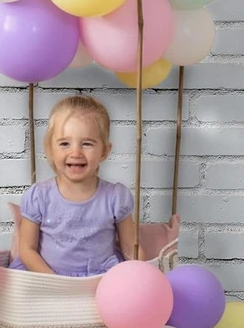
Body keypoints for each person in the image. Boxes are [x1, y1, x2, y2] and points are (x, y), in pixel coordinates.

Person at [8, 94, 143, 276]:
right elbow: (27, 249)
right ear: (50, 149)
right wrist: (53, 281)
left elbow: (130, 248)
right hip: (47, 277)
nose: (75, 152)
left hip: (100, 279)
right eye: (64, 143)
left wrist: (143, 273)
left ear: (104, 151)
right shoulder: (39, 196)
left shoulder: (115, 197)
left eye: (87, 143)